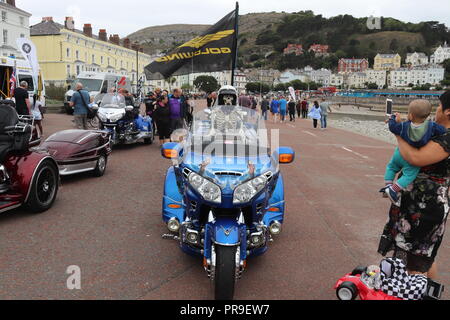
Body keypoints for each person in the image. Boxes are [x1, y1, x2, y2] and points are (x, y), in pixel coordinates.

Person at [378, 91, 450, 280]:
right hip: (417, 204)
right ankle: (426, 293)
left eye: (440, 107)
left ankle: (414, 292)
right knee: (423, 256)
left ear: (448, 111)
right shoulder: (435, 131)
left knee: (415, 262)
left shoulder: (447, 137)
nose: (437, 110)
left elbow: (416, 158)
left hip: (424, 208)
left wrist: (399, 133)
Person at [380, 100, 447, 205]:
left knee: (391, 167)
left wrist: (392, 119)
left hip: (399, 153)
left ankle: (388, 185)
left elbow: (393, 127)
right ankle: (393, 189)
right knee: (409, 175)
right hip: (410, 158)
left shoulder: (404, 126)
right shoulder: (431, 126)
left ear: (410, 115)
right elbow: (443, 131)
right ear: (428, 115)